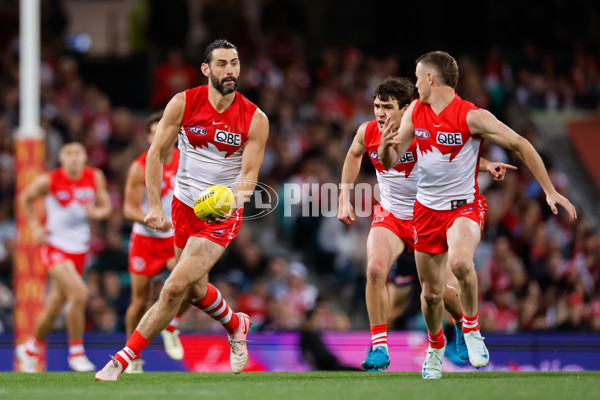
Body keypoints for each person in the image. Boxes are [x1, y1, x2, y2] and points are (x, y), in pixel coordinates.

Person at [378, 51, 577, 379]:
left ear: (431, 78)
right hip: (425, 212)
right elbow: (391, 161)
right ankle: (435, 347)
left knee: (459, 263)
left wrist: (550, 190)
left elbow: (521, 144)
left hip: (464, 208)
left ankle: (471, 330)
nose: (414, 84)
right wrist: (387, 147)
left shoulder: (472, 117)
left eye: (417, 77)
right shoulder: (415, 111)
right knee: (430, 295)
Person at [95, 39, 269, 381]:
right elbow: (156, 155)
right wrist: (155, 208)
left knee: (173, 288)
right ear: (206, 70)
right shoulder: (183, 103)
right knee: (194, 289)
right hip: (182, 207)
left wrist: (231, 204)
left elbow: (249, 176)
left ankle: (122, 359)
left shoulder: (255, 118)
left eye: (234, 63)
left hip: (219, 216)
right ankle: (236, 324)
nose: (230, 70)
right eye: (222, 64)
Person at [338, 76, 515, 372]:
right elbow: (354, 154)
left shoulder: (422, 132)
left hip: (428, 219)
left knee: (440, 292)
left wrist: (486, 165)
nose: (379, 113)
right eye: (376, 106)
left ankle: (462, 323)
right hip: (392, 216)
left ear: (407, 109)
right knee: (374, 269)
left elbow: (456, 153)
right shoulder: (367, 132)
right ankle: (380, 346)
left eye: (387, 107)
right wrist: (344, 196)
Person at [16, 142, 112, 372]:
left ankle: (30, 349)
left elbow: (106, 207)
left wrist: (96, 212)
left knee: (54, 307)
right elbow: (25, 198)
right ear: (61, 157)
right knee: (80, 294)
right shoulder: (49, 180)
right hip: (55, 246)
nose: (73, 158)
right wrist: (35, 227)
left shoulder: (94, 176)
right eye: (68, 153)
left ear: (85, 156)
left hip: (79, 249)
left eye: (78, 153)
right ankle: (76, 353)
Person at [122, 111, 189, 373]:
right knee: (139, 301)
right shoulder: (140, 166)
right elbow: (128, 209)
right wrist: (150, 218)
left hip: (175, 237)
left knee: (193, 281)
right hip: (146, 241)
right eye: (154, 131)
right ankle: (132, 356)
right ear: (150, 137)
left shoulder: (186, 161)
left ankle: (172, 325)